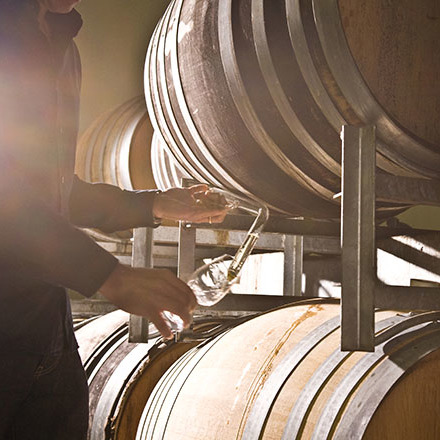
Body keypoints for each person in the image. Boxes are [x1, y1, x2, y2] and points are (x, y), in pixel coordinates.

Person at [0, 0, 228, 438]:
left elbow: (56, 190)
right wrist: (109, 275)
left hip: (46, 325)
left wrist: (154, 204)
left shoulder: (64, 47)